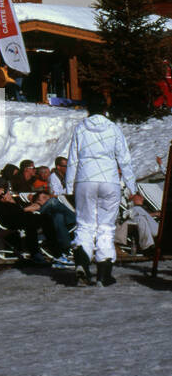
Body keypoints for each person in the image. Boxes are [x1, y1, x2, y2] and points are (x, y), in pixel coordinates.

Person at [66, 110, 138, 286]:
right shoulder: (113, 128)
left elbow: (73, 159)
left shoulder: (80, 128)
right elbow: (124, 159)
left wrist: (69, 186)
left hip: (85, 180)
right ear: (106, 111)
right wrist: (131, 186)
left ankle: (82, 263)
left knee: (85, 224)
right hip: (109, 181)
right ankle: (103, 274)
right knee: (106, 227)